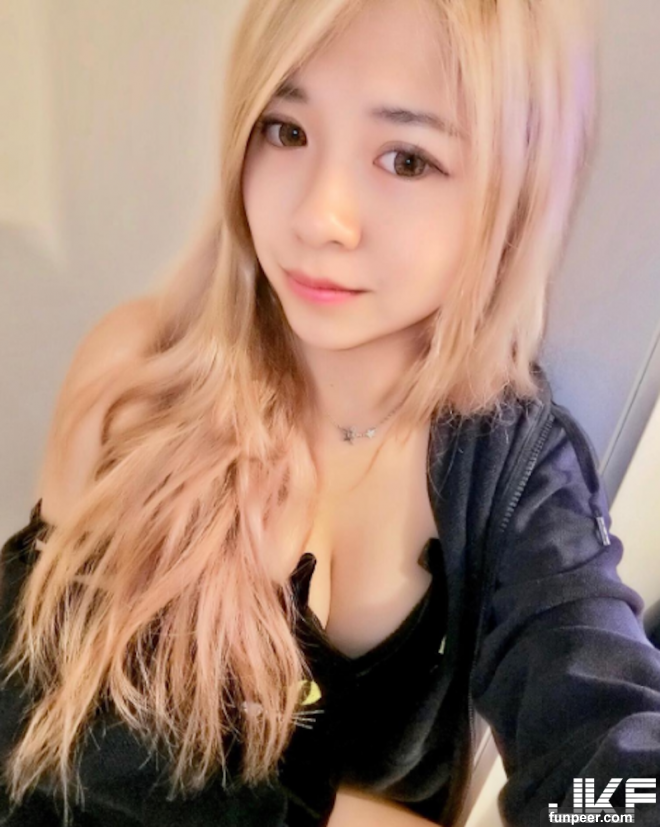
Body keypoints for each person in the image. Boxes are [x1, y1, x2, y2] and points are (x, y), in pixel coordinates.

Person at [1, 0, 660, 825]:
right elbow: (31, 723)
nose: (320, 217)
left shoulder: (515, 475)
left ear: (510, 197)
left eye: (407, 159)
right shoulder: (140, 380)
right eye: (287, 130)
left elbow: (620, 778)